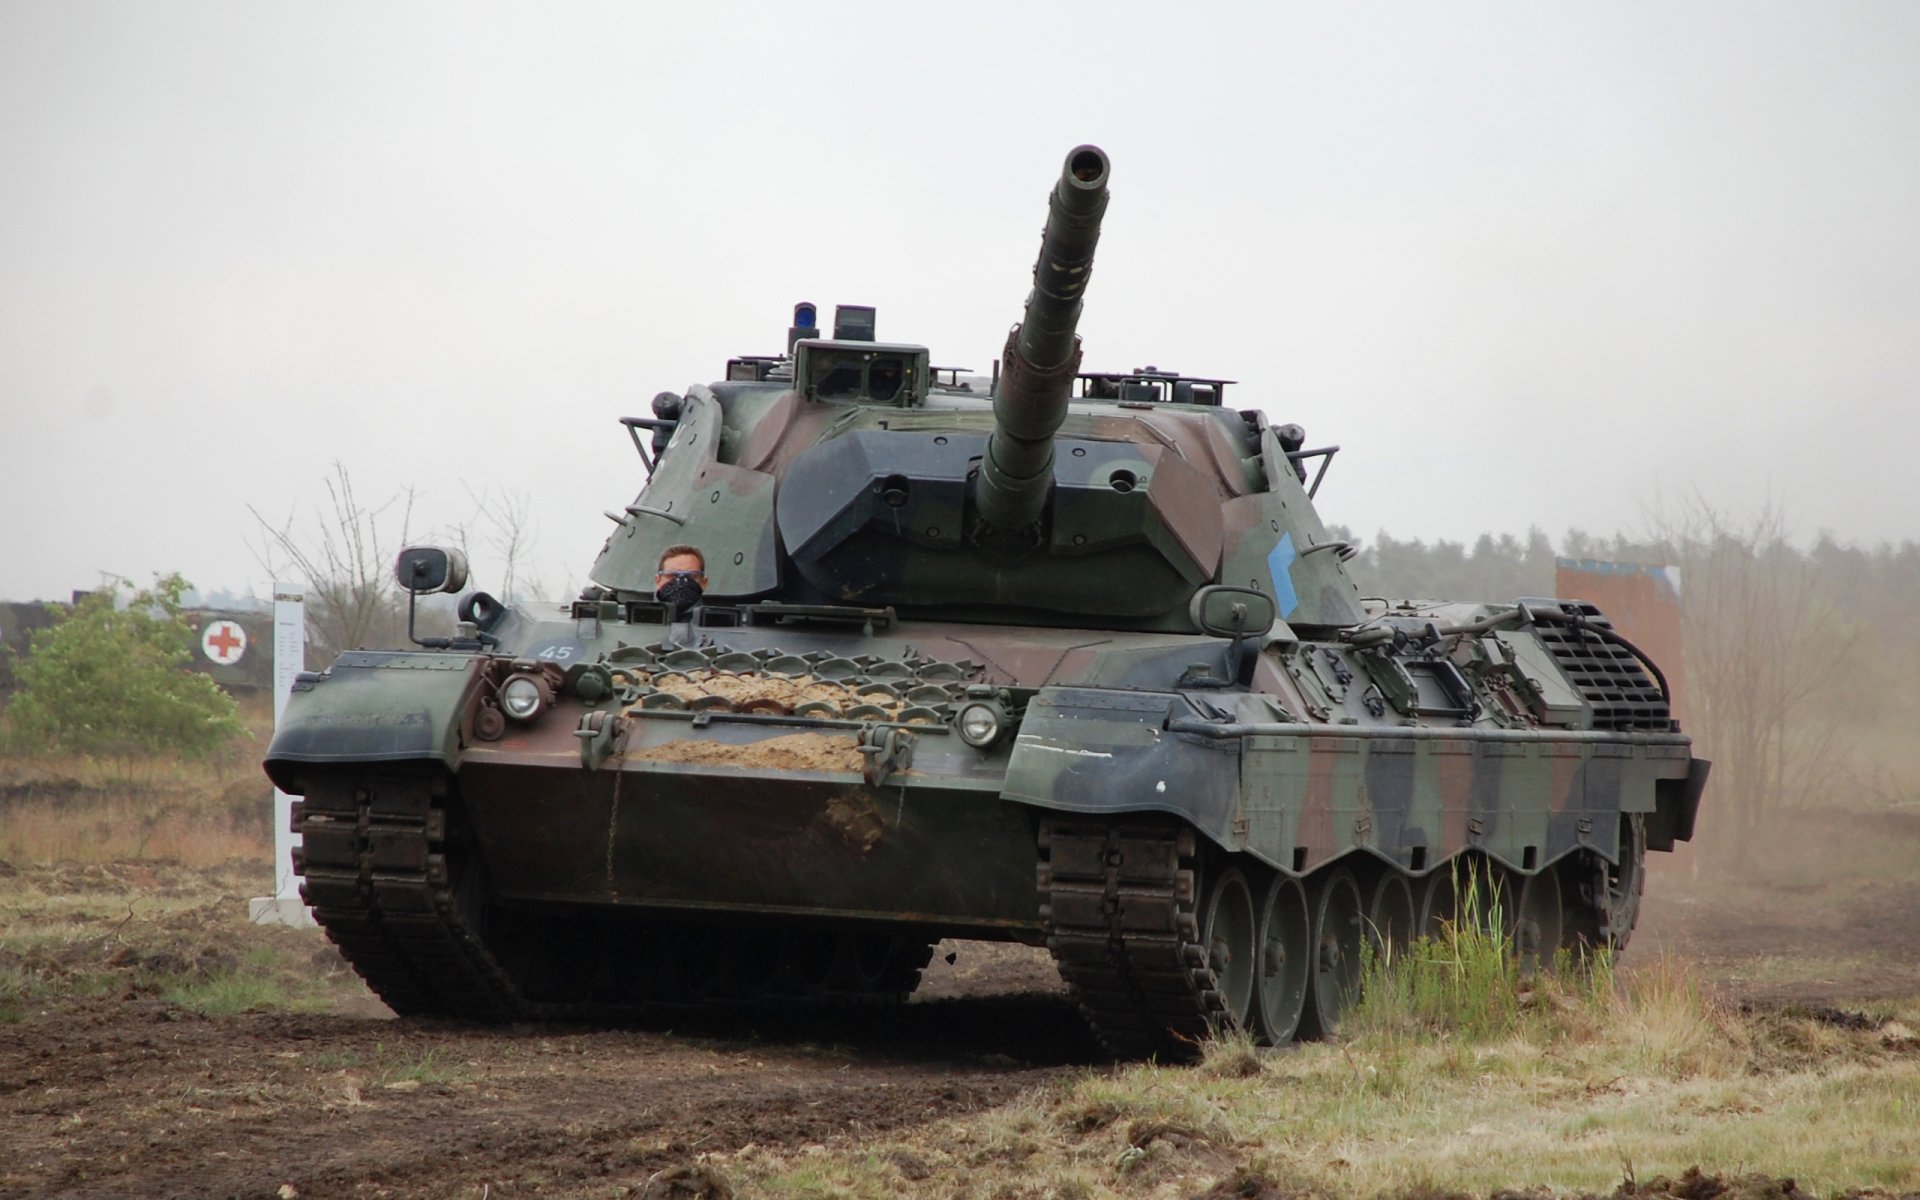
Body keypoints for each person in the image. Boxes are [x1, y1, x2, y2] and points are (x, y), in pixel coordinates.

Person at [654, 544, 707, 611]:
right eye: (672, 575)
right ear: (658, 581)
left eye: (690, 576)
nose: (681, 581)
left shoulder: (717, 620)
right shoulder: (638, 616)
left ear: (704, 583)